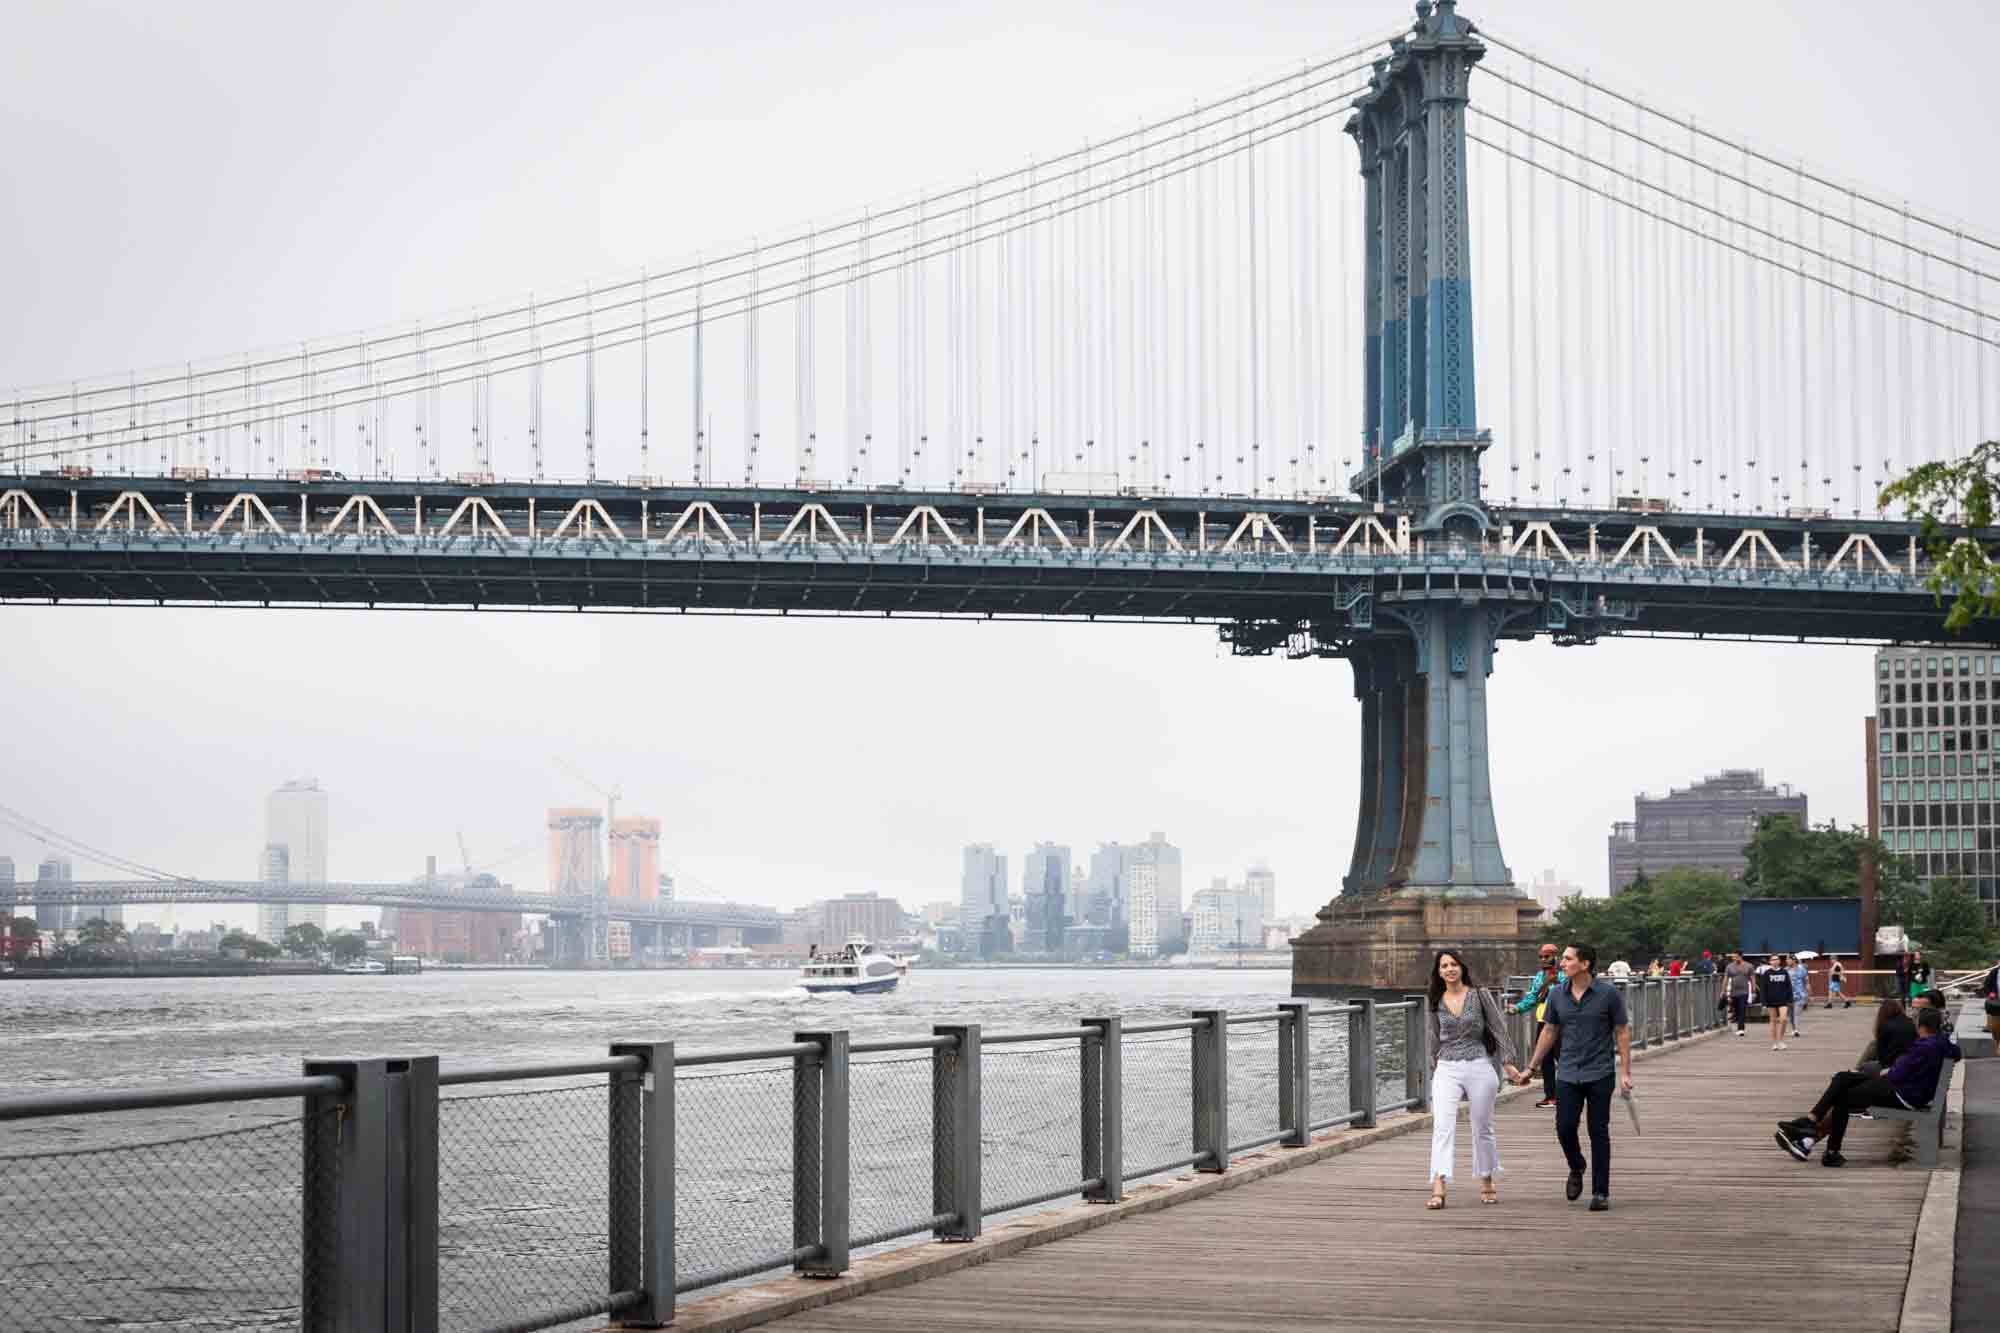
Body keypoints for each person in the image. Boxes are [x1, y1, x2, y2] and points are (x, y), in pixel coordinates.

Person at [1514, 942, 1633, 1212]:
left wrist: (1625, 1072)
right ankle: (1576, 1165)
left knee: (1598, 1131)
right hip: (1567, 1072)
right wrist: (1530, 1069)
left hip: (1600, 1072)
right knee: (1564, 1127)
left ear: (1585, 964)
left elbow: (1622, 1032)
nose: (1562, 963)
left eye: (1567, 959)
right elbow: (1549, 1032)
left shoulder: (1609, 994)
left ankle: (1600, 1192)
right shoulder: (1557, 994)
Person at [1776, 1006, 1961, 1166]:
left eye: (1916, 1021)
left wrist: (1890, 1070)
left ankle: (1815, 1132)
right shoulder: (1939, 1043)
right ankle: (1815, 1130)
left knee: (1843, 1095)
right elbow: (1956, 1052)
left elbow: (1897, 1075)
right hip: (1908, 1091)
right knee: (1843, 1078)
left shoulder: (1924, 1047)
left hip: (1903, 1095)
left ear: (1922, 1026)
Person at [1422, 949, 1523, 1209]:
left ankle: (1487, 1180)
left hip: (1479, 1064)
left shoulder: (1480, 995)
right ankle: (1439, 1185)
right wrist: (1433, 1067)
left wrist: (1508, 1062)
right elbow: (1433, 1037)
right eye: (1444, 966)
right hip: (1447, 1067)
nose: (1449, 969)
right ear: (1439, 972)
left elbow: (1498, 1027)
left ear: (1462, 968)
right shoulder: (1435, 999)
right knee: (1442, 1126)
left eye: (1454, 964)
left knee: (1482, 1127)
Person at [1512, 945, 1562, 1108]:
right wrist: (1518, 1007)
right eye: (1540, 956)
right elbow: (1533, 997)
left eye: (1546, 956)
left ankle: (1569, 1095)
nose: (1543, 960)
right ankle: (1551, 1096)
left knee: (1564, 1060)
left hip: (1561, 1024)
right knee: (1545, 1061)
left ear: (1555, 957)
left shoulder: (1564, 976)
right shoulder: (1539, 977)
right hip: (1543, 1022)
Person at [1855, 999, 1916, 1076]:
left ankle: (1856, 1071)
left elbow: (1882, 1058)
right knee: (1873, 1045)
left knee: (1865, 1066)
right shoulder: (1911, 1022)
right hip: (1908, 1063)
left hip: (1893, 1066)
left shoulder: (1884, 1026)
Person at [1724, 952, 1755, 1034]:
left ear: (1741, 957)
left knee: (1742, 1009)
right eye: (1733, 957)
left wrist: (1753, 991)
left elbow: (1752, 979)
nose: (1734, 958)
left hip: (1744, 991)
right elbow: (1726, 978)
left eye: (1736, 957)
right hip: (1733, 992)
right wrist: (1723, 990)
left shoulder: (1749, 966)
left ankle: (1741, 1029)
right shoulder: (1729, 966)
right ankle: (1739, 1025)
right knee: (1736, 1009)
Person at [1787, 955, 1810, 1036]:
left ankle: (1796, 1030)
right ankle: (1793, 1029)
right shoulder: (1786, 970)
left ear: (1794, 960)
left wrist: (1808, 993)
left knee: (1796, 1013)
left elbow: (1806, 981)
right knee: (1791, 1014)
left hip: (1800, 995)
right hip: (1789, 995)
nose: (1787, 961)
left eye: (1788, 960)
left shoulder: (1802, 969)